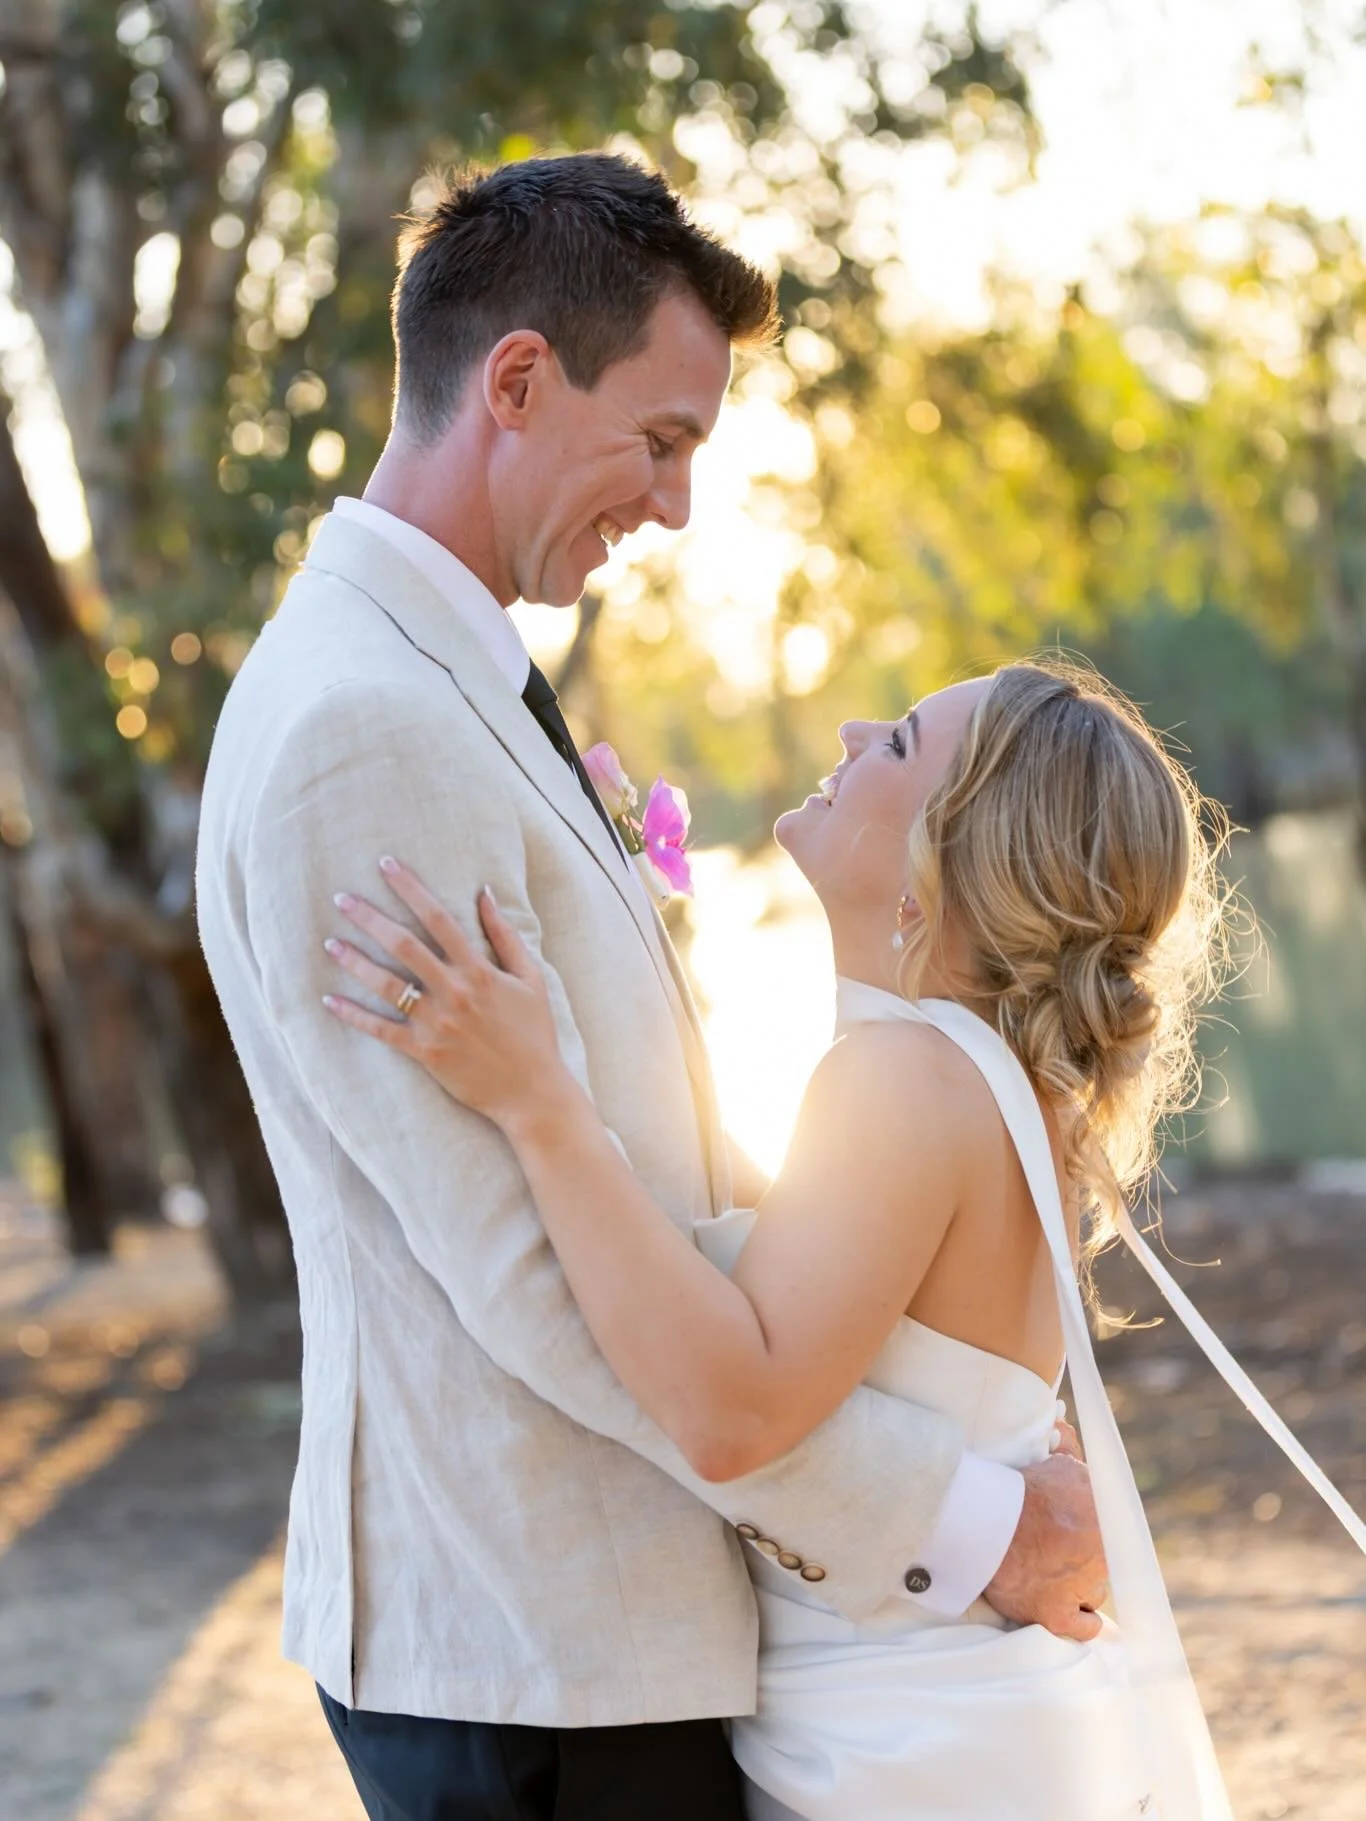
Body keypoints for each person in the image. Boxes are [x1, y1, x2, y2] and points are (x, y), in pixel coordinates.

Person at [195, 153, 1105, 1821]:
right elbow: (529, 1275)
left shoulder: (435, 678)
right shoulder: (362, 727)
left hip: (600, 1642)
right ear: (517, 382)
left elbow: (656, 1174)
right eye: (662, 440)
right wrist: (967, 1523)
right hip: (542, 1653)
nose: (677, 506)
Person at [324, 658, 1366, 1818]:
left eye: (902, 742)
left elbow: (733, 1413)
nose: (856, 730)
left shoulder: (899, 1080)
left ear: (946, 863)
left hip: (906, 1758)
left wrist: (539, 1105)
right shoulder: (992, 1086)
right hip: (967, 1723)